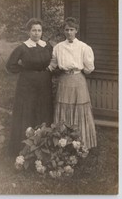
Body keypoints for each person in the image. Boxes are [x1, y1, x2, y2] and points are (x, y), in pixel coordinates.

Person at [48, 17, 97, 149]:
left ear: (76, 31)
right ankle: (63, 142)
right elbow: (52, 64)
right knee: (63, 107)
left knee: (80, 108)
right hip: (64, 80)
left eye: (72, 29)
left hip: (78, 79)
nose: (69, 32)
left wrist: (78, 70)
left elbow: (89, 69)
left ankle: (81, 142)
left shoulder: (83, 47)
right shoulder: (58, 47)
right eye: (66, 30)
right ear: (64, 31)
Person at [6, 18, 53, 156]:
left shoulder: (47, 46)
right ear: (29, 32)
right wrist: (24, 70)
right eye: (34, 30)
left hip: (44, 84)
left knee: (43, 111)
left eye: (39, 30)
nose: (36, 33)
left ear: (42, 32)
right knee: (28, 112)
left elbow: (53, 61)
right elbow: (10, 65)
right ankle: (24, 148)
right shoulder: (23, 47)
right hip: (27, 86)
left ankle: (43, 147)